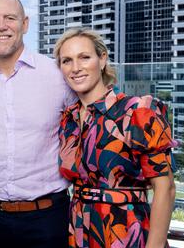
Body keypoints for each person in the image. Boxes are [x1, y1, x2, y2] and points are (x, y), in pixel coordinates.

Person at [0, 0, 77, 248]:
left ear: (25, 24)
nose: (1, 26)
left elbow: (84, 130)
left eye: (9, 18)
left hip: (47, 217)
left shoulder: (58, 75)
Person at [54, 27, 177, 248]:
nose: (75, 68)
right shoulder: (68, 119)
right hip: (78, 233)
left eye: (84, 57)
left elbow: (165, 188)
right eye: (66, 61)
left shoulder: (137, 111)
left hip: (126, 233)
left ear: (102, 60)